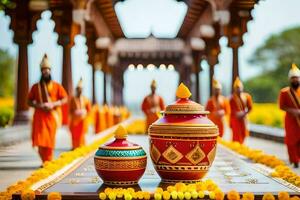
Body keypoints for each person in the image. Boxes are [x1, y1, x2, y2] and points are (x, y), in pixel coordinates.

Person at [28, 54, 68, 163]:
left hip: (51, 117)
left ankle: (48, 161)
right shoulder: (35, 87)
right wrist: (39, 105)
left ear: (50, 71)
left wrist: (54, 104)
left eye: (47, 69)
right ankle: (44, 161)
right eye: (43, 70)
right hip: (40, 117)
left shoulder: (56, 86)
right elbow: (29, 101)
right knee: (40, 140)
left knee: (49, 140)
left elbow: (65, 98)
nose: (45, 72)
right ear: (41, 71)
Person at [278, 63, 300, 168]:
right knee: (291, 141)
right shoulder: (284, 92)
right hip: (291, 120)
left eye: (297, 78)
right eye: (293, 78)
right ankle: (294, 161)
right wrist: (293, 111)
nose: (295, 80)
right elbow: (281, 106)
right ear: (290, 79)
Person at [69, 78, 92, 149]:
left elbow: (89, 111)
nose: (79, 90)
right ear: (76, 90)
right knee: (75, 135)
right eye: (78, 89)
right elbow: (70, 110)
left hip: (83, 121)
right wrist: (75, 112)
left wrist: (84, 112)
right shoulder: (73, 99)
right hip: (75, 121)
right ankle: (74, 147)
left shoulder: (86, 99)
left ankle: (81, 147)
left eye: (81, 89)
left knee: (82, 135)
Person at [229, 77, 253, 144]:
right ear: (234, 89)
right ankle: (236, 148)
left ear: (242, 88)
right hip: (235, 120)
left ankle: (242, 147)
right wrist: (237, 114)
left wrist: (244, 113)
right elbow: (231, 110)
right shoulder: (232, 98)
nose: (238, 89)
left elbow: (250, 107)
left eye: (239, 87)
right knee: (236, 135)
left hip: (244, 118)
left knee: (244, 134)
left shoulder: (247, 96)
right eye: (237, 88)